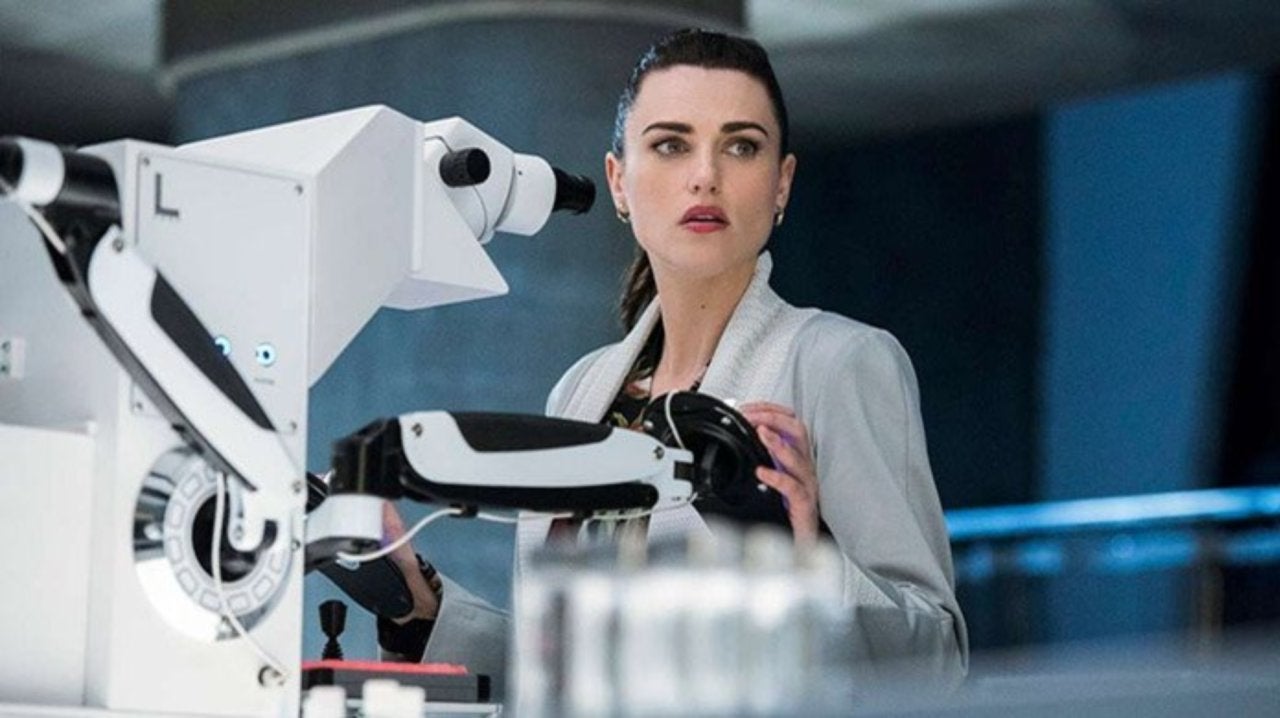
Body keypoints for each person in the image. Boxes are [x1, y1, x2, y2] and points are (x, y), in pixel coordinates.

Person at [378, 27, 968, 693]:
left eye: (741, 146)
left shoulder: (840, 363)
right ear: (619, 182)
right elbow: (563, 673)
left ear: (781, 183)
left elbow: (937, 666)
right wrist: (428, 613)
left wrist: (810, 552)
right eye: (670, 144)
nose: (705, 175)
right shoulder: (579, 393)